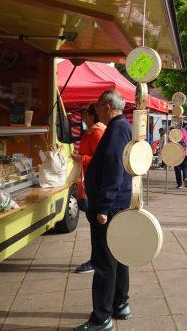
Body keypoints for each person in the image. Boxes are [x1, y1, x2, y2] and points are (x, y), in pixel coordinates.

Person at [74, 90, 133, 331]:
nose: (96, 111)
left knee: (105, 262)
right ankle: (120, 305)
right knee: (119, 256)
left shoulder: (117, 128)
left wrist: (104, 207)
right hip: (116, 202)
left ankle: (102, 317)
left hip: (110, 205)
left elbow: (113, 169)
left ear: (107, 106)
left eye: (98, 107)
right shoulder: (120, 127)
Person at [71, 103, 106, 274]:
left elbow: (101, 159)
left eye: (85, 113)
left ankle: (97, 260)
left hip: (93, 184)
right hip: (88, 182)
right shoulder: (92, 131)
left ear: (92, 115)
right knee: (95, 225)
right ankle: (98, 258)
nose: (82, 116)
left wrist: (80, 158)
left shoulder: (97, 132)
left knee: (97, 226)